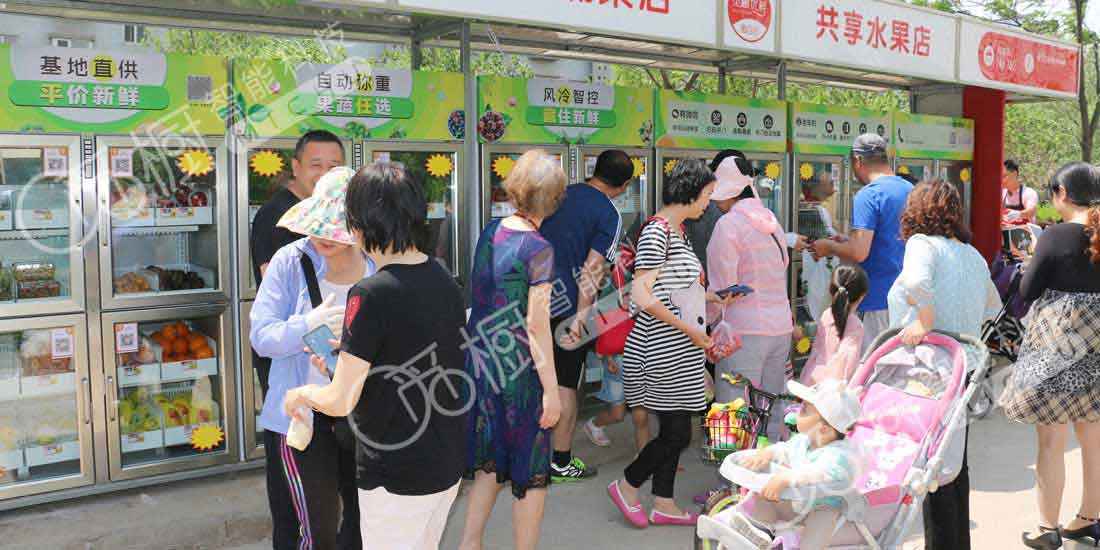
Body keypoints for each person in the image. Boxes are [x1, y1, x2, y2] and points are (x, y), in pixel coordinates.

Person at [282, 163, 468, 550]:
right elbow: (412, 355)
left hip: (395, 471)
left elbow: (340, 400)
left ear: (358, 224)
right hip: (445, 460)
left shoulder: (369, 293)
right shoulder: (443, 279)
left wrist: (300, 395)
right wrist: (350, 354)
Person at [609, 159, 732, 528]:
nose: (708, 204)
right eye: (707, 195)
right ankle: (628, 485)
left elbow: (672, 287)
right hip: (661, 348)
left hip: (679, 347)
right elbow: (642, 295)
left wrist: (710, 297)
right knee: (677, 433)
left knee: (675, 431)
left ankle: (663, 502)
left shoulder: (678, 231)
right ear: (689, 192)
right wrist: (688, 329)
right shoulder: (657, 233)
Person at [250, 166, 368, 550]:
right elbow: (261, 337)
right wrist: (307, 325)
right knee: (313, 530)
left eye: (336, 227)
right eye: (319, 224)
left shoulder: (375, 265)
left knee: (363, 522)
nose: (323, 236)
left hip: (362, 417)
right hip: (303, 420)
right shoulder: (290, 261)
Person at [459, 150, 565, 550]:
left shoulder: (492, 231)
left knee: (491, 460)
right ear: (553, 199)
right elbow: (536, 327)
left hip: (480, 362)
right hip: (519, 371)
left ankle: (470, 543)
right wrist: (551, 391)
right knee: (530, 470)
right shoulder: (539, 248)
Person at [886, 179, 1001, 550]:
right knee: (953, 465)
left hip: (926, 368)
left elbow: (917, 282)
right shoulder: (973, 255)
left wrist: (925, 320)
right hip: (964, 369)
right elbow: (993, 306)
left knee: (928, 467)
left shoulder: (922, 244)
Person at [998, 162, 1100, 550]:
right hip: (1096, 348)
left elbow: (1027, 291)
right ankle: (1089, 519)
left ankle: (1047, 527)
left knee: (1051, 440)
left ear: (1062, 194)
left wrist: (1029, 264)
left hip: (1058, 349)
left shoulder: (1055, 236)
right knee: (1093, 438)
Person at [538, 149, 631, 482]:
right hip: (565, 309)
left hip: (529, 301)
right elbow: (592, 269)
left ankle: (522, 457)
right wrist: (580, 319)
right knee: (565, 385)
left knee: (532, 381)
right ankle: (560, 461)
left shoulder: (559, 194)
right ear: (624, 186)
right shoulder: (608, 213)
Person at [697, 379, 862, 550]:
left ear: (824, 429)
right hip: (798, 501)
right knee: (764, 497)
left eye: (804, 410)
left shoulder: (839, 455)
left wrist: (787, 478)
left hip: (823, 505)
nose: (798, 410)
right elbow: (784, 450)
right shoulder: (803, 441)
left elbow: (819, 473)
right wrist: (767, 454)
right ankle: (757, 533)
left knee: (822, 521)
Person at [707, 156, 793, 438]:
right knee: (771, 406)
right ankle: (768, 462)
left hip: (743, 332)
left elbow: (722, 288)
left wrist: (701, 324)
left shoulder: (728, 225)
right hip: (780, 327)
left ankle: (731, 468)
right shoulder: (771, 221)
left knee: (733, 410)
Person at [813, 134, 913, 351]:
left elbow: (859, 252)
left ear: (858, 161)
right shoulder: (909, 189)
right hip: (907, 299)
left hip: (876, 298)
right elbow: (889, 238)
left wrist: (829, 247)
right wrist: (847, 241)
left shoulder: (869, 195)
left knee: (873, 363)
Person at [799, 265, 868, 385]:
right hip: (834, 386)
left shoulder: (826, 315)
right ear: (861, 297)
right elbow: (848, 362)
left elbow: (816, 350)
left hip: (812, 377)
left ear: (831, 291)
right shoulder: (856, 326)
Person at [1002, 158, 1039, 225]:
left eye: (1004, 176)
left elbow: (1032, 211)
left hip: (1027, 230)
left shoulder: (1028, 192)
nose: (1001, 180)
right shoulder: (1001, 194)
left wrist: (1019, 214)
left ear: (1014, 174)